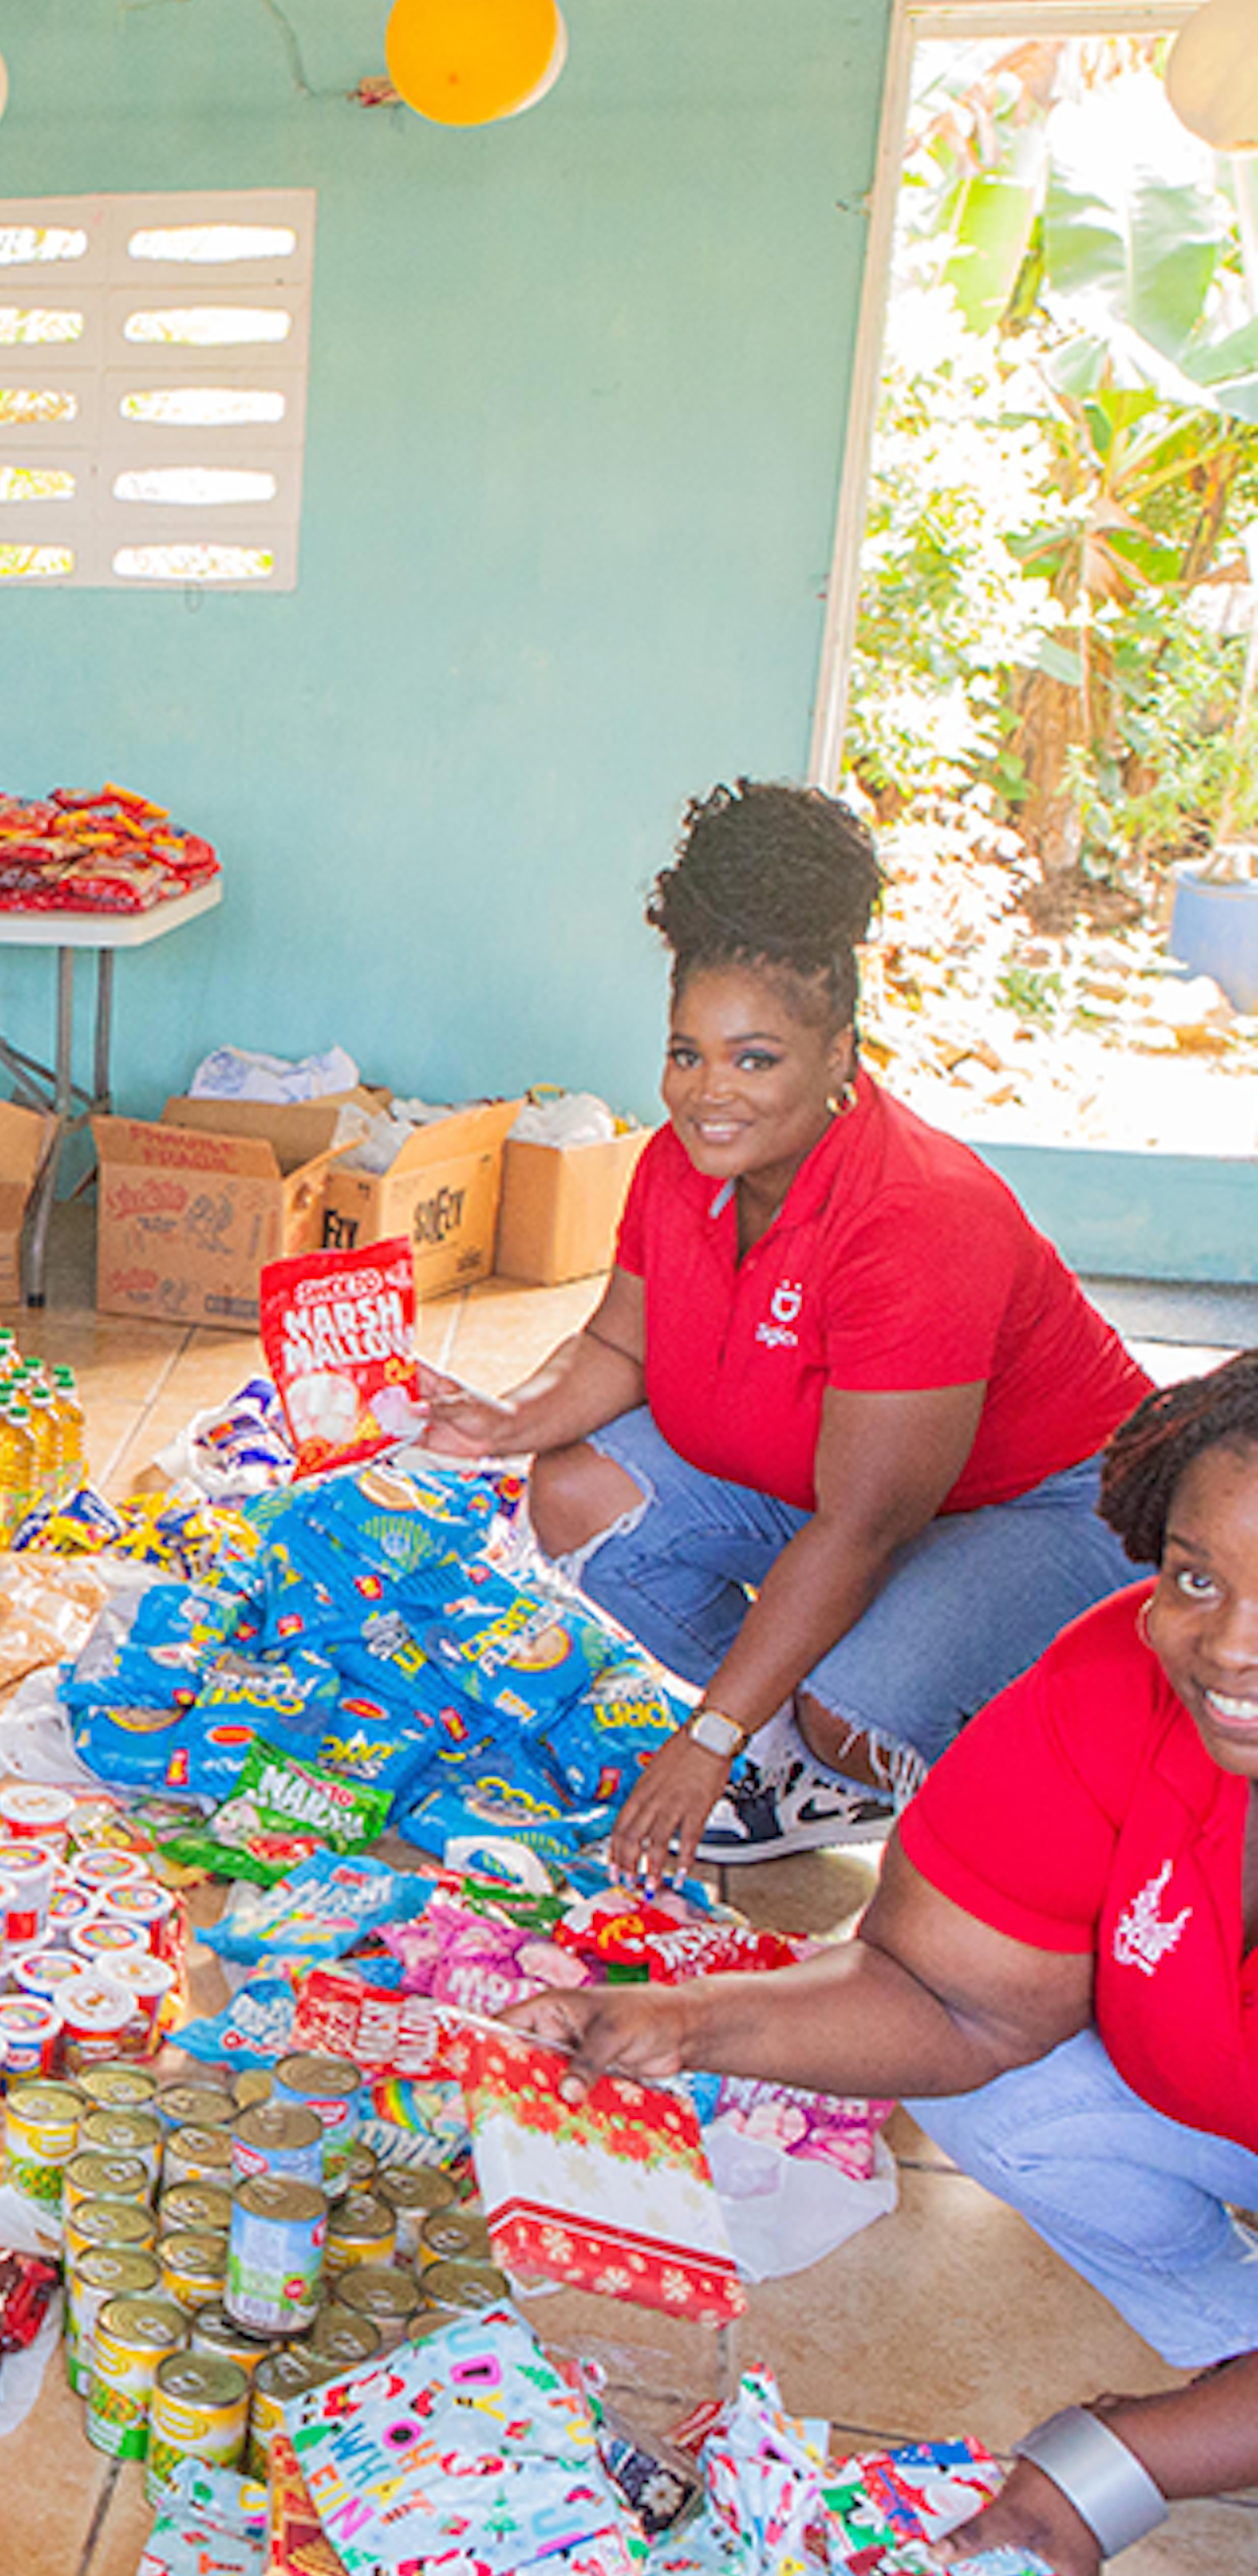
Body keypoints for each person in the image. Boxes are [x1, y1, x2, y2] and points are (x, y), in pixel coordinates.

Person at [508, 1355, 1258, 2576]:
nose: (1231, 1647)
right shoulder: (1116, 1688)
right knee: (1000, 2094)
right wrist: (667, 2021)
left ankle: (1209, 2423)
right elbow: (947, 1997)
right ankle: (1233, 2358)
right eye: (1199, 1578)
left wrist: (1096, 2475)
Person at [421, 781, 1145, 1874]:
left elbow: (864, 1525)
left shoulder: (916, 1217)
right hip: (864, 1485)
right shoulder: (680, 1163)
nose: (710, 1093)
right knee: (577, 1491)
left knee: (857, 1708)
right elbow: (619, 1345)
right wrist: (501, 1419)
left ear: (840, 1057)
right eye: (686, 1054)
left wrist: (702, 1740)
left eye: (756, 1059)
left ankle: (875, 1752)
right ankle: (790, 1747)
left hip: (1046, 1503)